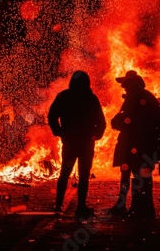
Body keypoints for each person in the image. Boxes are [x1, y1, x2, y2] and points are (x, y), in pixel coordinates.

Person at [48, 70, 106, 217]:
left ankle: (58, 204)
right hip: (86, 143)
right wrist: (96, 135)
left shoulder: (64, 96)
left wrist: (59, 131)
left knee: (65, 173)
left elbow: (52, 116)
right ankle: (81, 207)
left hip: (70, 142)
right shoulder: (91, 98)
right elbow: (101, 121)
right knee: (84, 175)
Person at [109, 70, 160, 219]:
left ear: (132, 85)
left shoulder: (136, 97)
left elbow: (126, 119)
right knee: (140, 175)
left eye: (126, 85)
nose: (124, 89)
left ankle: (137, 208)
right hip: (144, 144)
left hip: (134, 144)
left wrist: (118, 122)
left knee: (135, 174)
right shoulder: (145, 96)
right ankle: (142, 208)